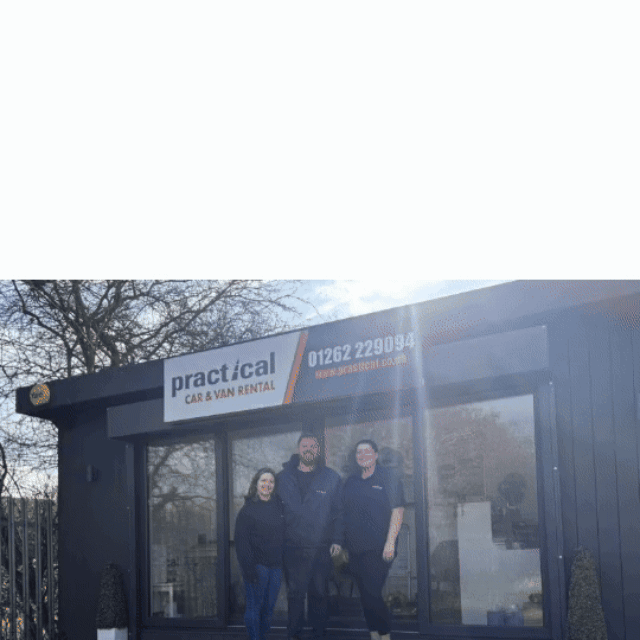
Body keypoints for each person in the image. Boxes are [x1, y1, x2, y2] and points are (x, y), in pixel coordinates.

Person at [276, 433, 344, 640]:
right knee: (295, 595)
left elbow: (339, 513)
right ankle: (294, 635)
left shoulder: (331, 478)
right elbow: (274, 512)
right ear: (298, 449)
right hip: (292, 546)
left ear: (318, 450)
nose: (309, 449)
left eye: (313, 446)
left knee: (319, 594)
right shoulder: (282, 478)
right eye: (305, 445)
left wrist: (338, 540)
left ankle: (319, 635)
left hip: (320, 546)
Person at [342, 439, 405, 640]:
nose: (362, 456)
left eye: (367, 451)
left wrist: (390, 542)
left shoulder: (389, 477)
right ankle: (374, 636)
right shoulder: (351, 481)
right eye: (359, 452)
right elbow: (344, 514)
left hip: (379, 548)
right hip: (355, 549)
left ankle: (385, 636)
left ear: (376, 455)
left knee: (372, 593)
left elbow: (397, 511)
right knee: (365, 597)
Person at [234, 468, 285, 640]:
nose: (267, 484)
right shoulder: (247, 510)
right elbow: (241, 543)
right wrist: (249, 569)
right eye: (263, 481)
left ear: (274, 485)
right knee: (254, 608)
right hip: (257, 567)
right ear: (256, 484)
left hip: (276, 567)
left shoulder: (279, 508)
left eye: (271, 481)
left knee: (268, 610)